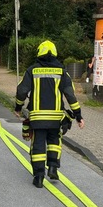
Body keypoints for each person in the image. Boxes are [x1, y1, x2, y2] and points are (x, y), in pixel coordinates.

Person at [14, 40, 84, 188]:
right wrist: (78, 115)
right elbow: (70, 95)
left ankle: (39, 177)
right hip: (56, 118)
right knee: (54, 142)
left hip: (37, 117)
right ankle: (53, 168)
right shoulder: (62, 71)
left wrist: (18, 107)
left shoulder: (32, 70)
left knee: (38, 145)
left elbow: (21, 91)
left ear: (39, 53)